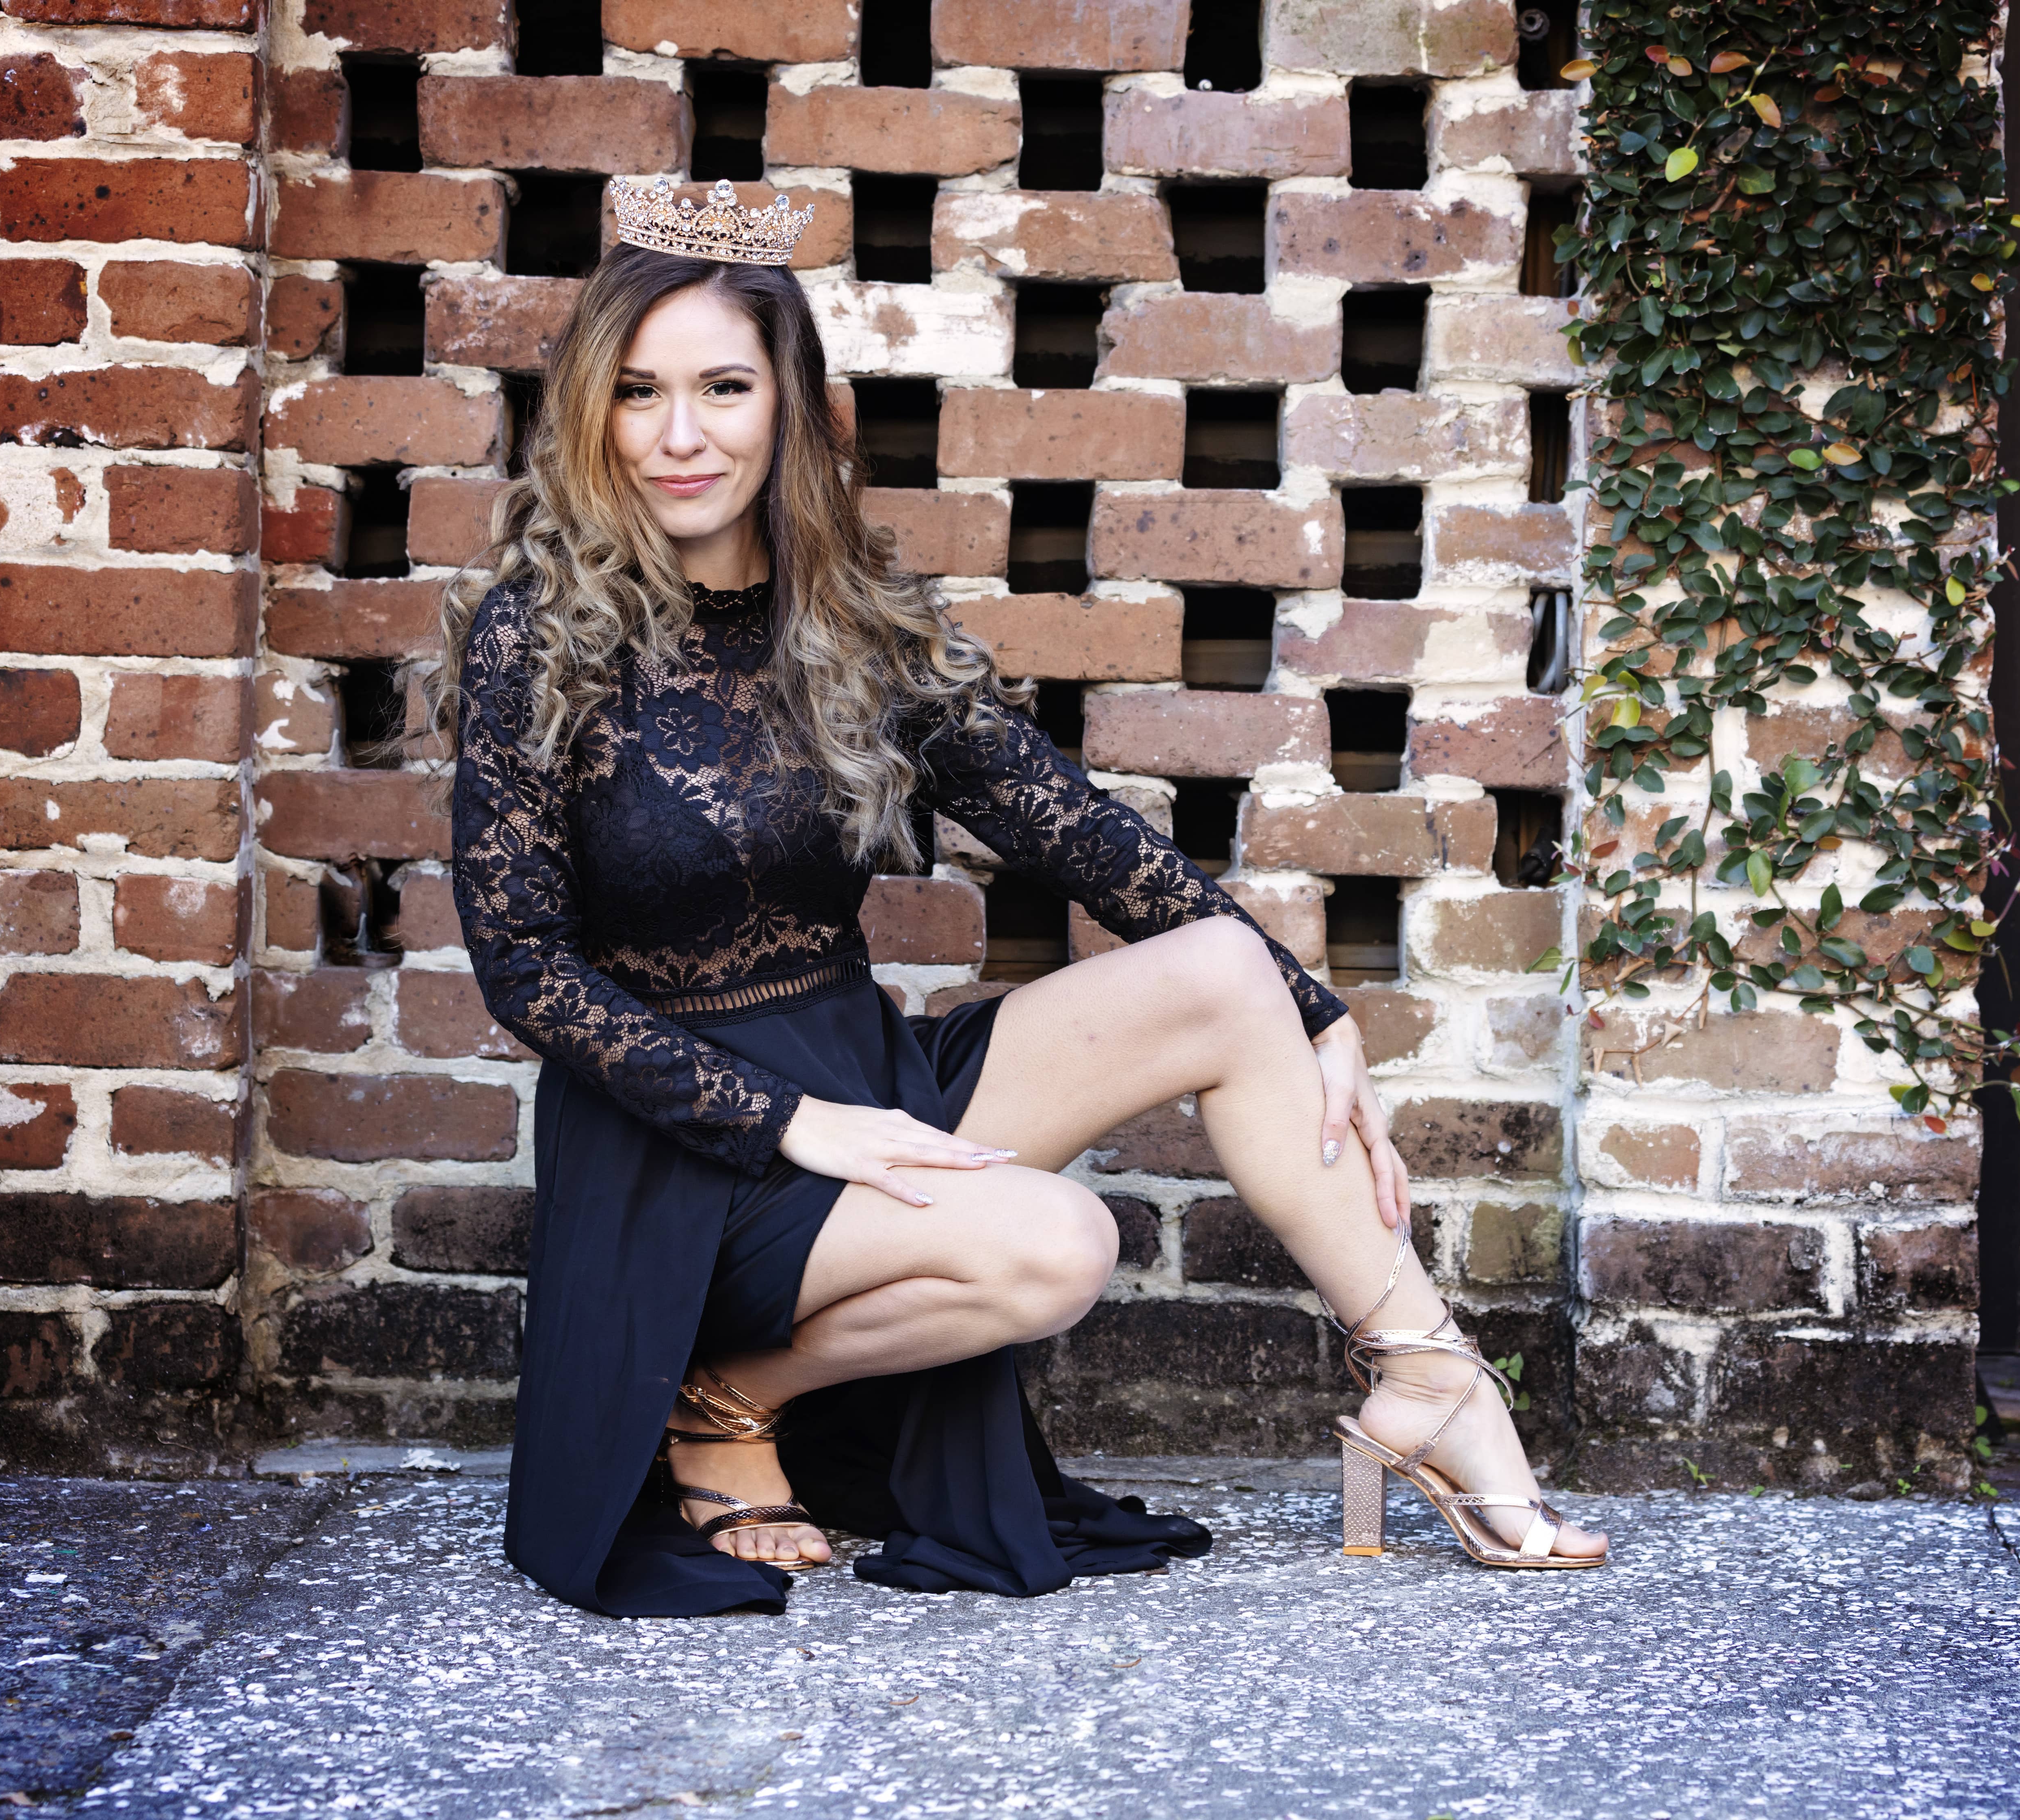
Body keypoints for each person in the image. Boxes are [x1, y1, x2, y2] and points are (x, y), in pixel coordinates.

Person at [416, 176, 1606, 1618]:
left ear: (788, 401)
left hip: (855, 1072)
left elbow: (1076, 833)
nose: (682, 437)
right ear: (593, 414)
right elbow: (529, 975)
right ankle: (710, 1387)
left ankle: (1425, 1372)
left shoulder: (850, 624)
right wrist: (802, 1125)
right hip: (676, 1158)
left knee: (1223, 978)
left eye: (724, 386)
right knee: (1061, 1244)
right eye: (640, 394)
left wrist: (1311, 1010)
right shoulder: (538, 640)